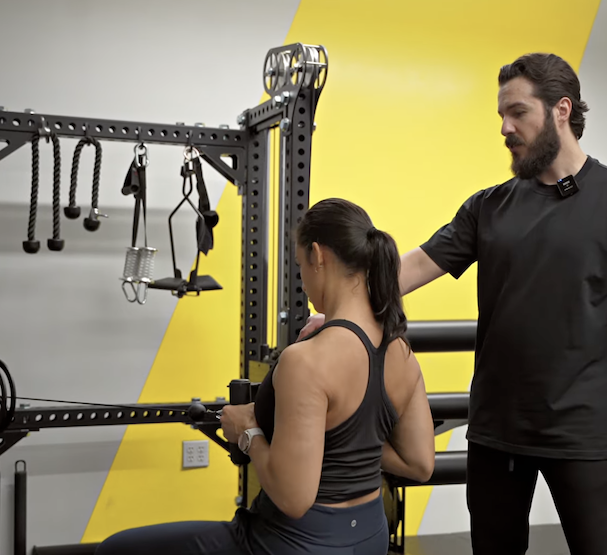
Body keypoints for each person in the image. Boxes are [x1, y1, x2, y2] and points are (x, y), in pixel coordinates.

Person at [299, 53, 607, 554]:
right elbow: (414, 266)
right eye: (501, 114)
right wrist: (339, 314)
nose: (505, 127)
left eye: (518, 112)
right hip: (497, 432)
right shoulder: (490, 206)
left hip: (580, 433)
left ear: (561, 110)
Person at [95, 198, 436, 555]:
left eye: (300, 264)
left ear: (318, 256)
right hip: (370, 538)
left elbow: (293, 498)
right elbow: (419, 463)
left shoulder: (305, 361)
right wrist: (344, 444)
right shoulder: (401, 352)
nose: (302, 281)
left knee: (115, 550)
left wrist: (248, 433)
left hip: (293, 543)